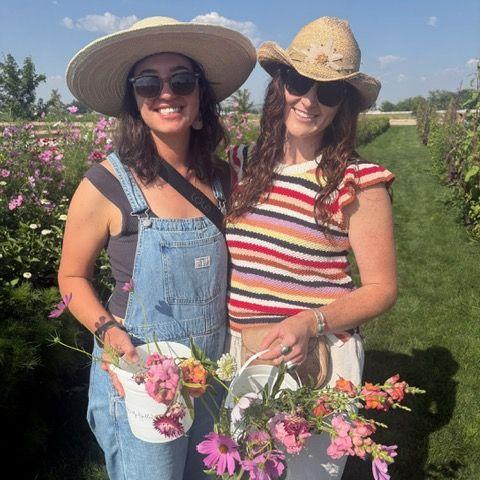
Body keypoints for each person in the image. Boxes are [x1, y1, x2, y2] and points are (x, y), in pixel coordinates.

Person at [58, 16, 255, 480]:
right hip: (143, 376)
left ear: (200, 94)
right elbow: (71, 276)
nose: (167, 93)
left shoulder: (224, 179)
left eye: (181, 80)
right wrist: (110, 333)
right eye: (149, 83)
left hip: (212, 373)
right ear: (135, 100)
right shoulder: (106, 184)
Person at [225, 17, 397, 478]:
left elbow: (382, 289)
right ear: (279, 85)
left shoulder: (358, 181)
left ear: (344, 106)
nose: (309, 101)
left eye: (329, 91)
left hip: (317, 358)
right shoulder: (241, 164)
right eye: (299, 82)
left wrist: (309, 321)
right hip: (243, 353)